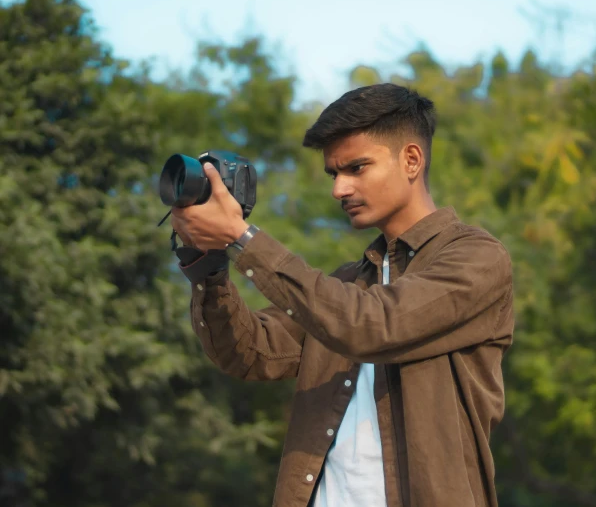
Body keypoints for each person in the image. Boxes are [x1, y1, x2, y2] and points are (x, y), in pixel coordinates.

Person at [170, 83, 515, 507]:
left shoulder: (477, 259)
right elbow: (250, 352)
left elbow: (373, 325)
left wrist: (243, 238)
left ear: (411, 159)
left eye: (356, 168)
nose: (339, 189)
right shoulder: (348, 286)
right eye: (335, 173)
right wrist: (206, 263)